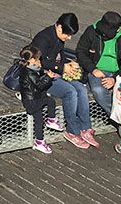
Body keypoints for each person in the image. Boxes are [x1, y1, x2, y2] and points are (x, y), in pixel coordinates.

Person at [30, 13, 96, 148]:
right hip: (42, 77)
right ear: (59, 27)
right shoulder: (43, 38)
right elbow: (39, 62)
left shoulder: (59, 37)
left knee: (81, 88)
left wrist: (68, 64)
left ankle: (85, 127)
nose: (69, 38)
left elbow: (60, 56)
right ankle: (72, 131)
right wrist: (62, 67)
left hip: (56, 72)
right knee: (70, 92)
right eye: (68, 34)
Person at [76, 11, 121, 117]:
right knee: (98, 90)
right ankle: (117, 116)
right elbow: (80, 51)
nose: (104, 35)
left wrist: (115, 78)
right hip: (97, 69)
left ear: (118, 29)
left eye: (108, 32)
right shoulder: (92, 31)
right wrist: (92, 69)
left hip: (119, 71)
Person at [19, 45, 61, 154]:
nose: (40, 62)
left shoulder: (28, 68)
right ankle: (51, 120)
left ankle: (39, 141)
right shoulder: (29, 73)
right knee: (50, 101)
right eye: (38, 59)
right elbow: (39, 86)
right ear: (32, 60)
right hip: (32, 102)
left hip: (32, 99)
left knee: (39, 120)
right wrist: (48, 78)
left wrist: (46, 74)